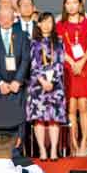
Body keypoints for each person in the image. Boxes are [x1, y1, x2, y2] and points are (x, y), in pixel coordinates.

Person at [58, 0, 87, 157]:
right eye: (68, 3)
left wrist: (81, 62)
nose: (71, 6)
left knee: (84, 106)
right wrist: (72, 62)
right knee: (71, 107)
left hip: (84, 67)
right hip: (68, 68)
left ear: (80, 5)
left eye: (74, 2)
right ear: (65, 6)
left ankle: (84, 143)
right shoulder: (60, 25)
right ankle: (73, 143)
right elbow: (60, 48)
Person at [27, 13, 67, 161]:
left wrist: (53, 80)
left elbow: (61, 62)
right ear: (38, 24)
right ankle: (42, 151)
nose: (47, 25)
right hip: (37, 85)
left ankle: (54, 151)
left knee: (54, 118)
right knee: (39, 119)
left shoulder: (59, 41)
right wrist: (42, 80)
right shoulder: (32, 42)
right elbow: (32, 64)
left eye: (50, 22)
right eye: (44, 22)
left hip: (55, 85)